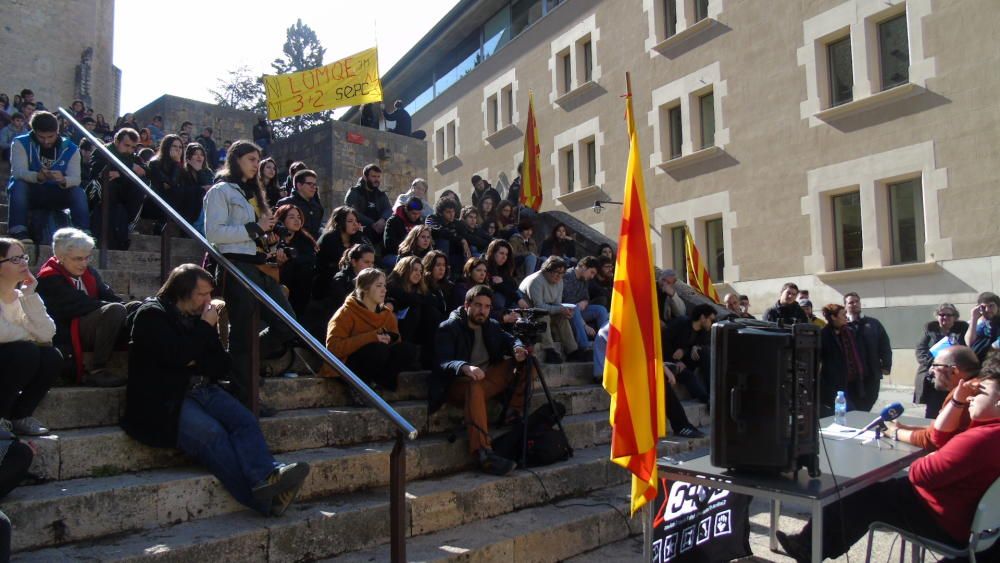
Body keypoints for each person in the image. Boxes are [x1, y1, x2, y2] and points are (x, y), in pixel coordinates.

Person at [121, 264, 310, 517]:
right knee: (213, 435)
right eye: (202, 294)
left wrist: (196, 348)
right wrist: (201, 336)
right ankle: (265, 500)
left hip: (202, 388)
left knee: (244, 420)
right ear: (182, 291)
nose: (208, 301)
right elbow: (179, 356)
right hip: (165, 398)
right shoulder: (152, 315)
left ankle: (268, 476)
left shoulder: (199, 319)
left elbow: (220, 365)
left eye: (210, 294)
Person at [776, 360, 1000, 563]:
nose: (971, 396)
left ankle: (809, 547)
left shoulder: (980, 439)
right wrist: (958, 402)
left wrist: (932, 457)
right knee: (874, 491)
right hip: (971, 519)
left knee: (858, 493)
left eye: (980, 392)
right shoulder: (987, 429)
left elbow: (919, 473)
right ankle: (809, 544)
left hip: (946, 519)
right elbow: (940, 438)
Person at [204, 140, 296, 410]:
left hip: (261, 266)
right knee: (243, 332)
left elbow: (256, 234)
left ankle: (236, 365)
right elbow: (214, 235)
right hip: (236, 266)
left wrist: (271, 239)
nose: (257, 164)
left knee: (287, 324)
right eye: (251, 159)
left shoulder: (254, 193)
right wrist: (254, 228)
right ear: (236, 160)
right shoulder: (221, 190)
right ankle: (245, 394)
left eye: (258, 159)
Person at [430, 284, 533, 476]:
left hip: (486, 378)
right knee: (474, 385)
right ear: (467, 305)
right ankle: (484, 452)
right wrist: (464, 366)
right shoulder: (449, 327)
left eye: (487, 307)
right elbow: (442, 362)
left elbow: (510, 339)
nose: (482, 311)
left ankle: (513, 411)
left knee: (528, 360)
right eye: (478, 305)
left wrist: (517, 348)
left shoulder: (491, 325)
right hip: (458, 385)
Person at [35, 227, 139, 388]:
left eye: (87, 258)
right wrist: (118, 307)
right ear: (61, 257)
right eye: (78, 259)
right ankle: (96, 370)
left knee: (137, 307)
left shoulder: (88, 272)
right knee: (116, 310)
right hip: (68, 330)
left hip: (93, 322)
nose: (84, 263)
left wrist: (131, 307)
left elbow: (108, 296)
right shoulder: (49, 278)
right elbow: (81, 304)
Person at [593, 325, 704, 438]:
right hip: (610, 375)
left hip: (627, 369)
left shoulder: (626, 324)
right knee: (659, 378)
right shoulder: (616, 327)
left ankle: (682, 424)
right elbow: (637, 357)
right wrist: (663, 370)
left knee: (670, 370)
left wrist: (664, 368)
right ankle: (681, 425)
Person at [325, 267, 417, 393]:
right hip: (348, 365)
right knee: (378, 349)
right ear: (365, 289)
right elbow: (333, 348)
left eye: (384, 286)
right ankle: (357, 388)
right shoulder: (345, 313)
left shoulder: (387, 314)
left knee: (407, 350)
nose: (384, 290)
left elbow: (397, 341)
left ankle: (381, 384)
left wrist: (390, 338)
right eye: (379, 286)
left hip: (378, 362)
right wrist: (372, 337)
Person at [0, 237, 58, 436]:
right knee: (26, 352)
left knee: (51, 356)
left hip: (16, 354)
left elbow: (48, 333)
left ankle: (19, 416)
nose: (24, 262)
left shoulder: (23, 296)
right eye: (15, 259)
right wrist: (31, 336)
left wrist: (30, 295)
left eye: (24, 257)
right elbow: (3, 333)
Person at [6, 111, 88, 243]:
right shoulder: (20, 143)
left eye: (50, 136)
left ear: (57, 131)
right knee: (18, 184)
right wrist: (37, 176)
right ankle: (18, 230)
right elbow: (17, 172)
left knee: (78, 192)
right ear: (33, 131)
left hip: (57, 192)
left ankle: (83, 234)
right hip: (32, 191)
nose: (46, 141)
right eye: (41, 137)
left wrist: (63, 179)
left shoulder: (71, 148)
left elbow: (76, 179)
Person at [887, 345, 979, 450]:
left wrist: (894, 432)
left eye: (935, 365)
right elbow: (940, 428)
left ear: (954, 371)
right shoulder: (977, 384)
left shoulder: (964, 395)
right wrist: (905, 428)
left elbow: (934, 439)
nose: (931, 370)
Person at [303, 243, 374, 343]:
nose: (370, 266)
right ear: (354, 262)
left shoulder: (372, 281)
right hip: (334, 324)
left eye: (372, 263)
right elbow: (344, 303)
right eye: (366, 262)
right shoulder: (341, 278)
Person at [90, 127, 147, 250]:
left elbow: (143, 172)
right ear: (116, 141)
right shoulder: (102, 151)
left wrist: (120, 173)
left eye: (133, 147)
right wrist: (129, 168)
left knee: (139, 189)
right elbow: (99, 172)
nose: (129, 150)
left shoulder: (134, 158)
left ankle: (127, 227)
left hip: (123, 196)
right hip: (102, 194)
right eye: (126, 145)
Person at [519, 256, 580, 364]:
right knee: (543, 315)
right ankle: (549, 350)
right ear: (547, 270)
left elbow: (556, 303)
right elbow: (538, 307)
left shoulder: (559, 281)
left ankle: (572, 350)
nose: (559, 276)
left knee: (562, 317)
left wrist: (564, 311)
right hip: (528, 313)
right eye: (556, 272)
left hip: (545, 309)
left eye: (562, 273)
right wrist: (560, 309)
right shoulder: (536, 281)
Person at [913, 303, 968, 418]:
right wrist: (933, 365)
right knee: (932, 411)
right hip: (934, 377)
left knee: (953, 410)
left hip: (954, 377)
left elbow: (967, 350)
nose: (945, 317)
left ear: (955, 317)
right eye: (941, 314)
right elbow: (920, 350)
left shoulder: (962, 331)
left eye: (948, 315)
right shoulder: (929, 331)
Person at [818, 303, 868, 416]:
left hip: (854, 382)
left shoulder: (849, 332)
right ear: (833, 317)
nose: (846, 316)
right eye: (843, 314)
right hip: (836, 386)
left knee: (858, 412)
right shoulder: (824, 335)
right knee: (850, 414)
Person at [844, 292, 891, 411]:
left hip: (871, 374)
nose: (855, 304)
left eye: (857, 301)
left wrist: (886, 365)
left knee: (869, 402)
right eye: (851, 302)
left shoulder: (873, 324)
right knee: (852, 406)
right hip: (850, 376)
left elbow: (884, 345)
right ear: (845, 306)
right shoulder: (842, 325)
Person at [314, 206, 371, 302]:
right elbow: (344, 261)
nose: (355, 224)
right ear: (340, 222)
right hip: (329, 280)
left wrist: (359, 236)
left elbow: (369, 254)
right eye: (350, 221)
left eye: (356, 221)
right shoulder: (330, 238)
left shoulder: (356, 237)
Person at [662, 304, 716, 404]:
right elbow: (664, 341)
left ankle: (712, 393)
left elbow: (706, 344)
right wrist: (675, 361)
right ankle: (706, 399)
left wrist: (695, 347)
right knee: (688, 376)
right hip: (669, 360)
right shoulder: (681, 323)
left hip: (686, 360)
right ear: (702, 317)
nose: (712, 323)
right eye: (711, 320)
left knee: (704, 352)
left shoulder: (704, 331)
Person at [274, 204, 319, 317]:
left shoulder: (306, 240)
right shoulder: (272, 239)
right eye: (291, 217)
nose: (297, 220)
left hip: (300, 290)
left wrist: (290, 259)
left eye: (299, 217)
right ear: (282, 219)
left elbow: (310, 259)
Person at [562, 256, 609, 357]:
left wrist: (585, 302)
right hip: (566, 311)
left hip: (579, 310)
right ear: (583, 267)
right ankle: (585, 347)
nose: (592, 276)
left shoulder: (584, 279)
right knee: (574, 308)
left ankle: (604, 343)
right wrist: (585, 326)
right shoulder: (567, 277)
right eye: (591, 272)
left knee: (601, 310)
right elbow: (568, 302)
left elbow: (586, 297)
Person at [345, 164, 391, 246]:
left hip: (379, 230)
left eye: (378, 176)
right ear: (365, 177)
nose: (376, 179)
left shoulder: (381, 195)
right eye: (373, 176)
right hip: (360, 231)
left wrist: (383, 220)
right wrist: (372, 223)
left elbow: (388, 209)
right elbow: (351, 211)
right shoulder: (355, 192)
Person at [144, 135, 184, 225]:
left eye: (180, 147)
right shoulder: (155, 163)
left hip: (171, 204)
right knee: (175, 191)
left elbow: (171, 184)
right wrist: (177, 164)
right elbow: (171, 184)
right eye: (174, 146)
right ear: (167, 147)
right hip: (155, 202)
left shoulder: (181, 167)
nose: (178, 149)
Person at [276, 169, 323, 240]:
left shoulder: (317, 206)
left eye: (315, 184)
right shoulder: (285, 203)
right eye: (310, 184)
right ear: (299, 185)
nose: (314, 187)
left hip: (313, 248)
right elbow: (277, 228)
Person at [484, 239, 529, 313]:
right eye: (501, 253)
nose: (504, 257)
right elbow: (496, 286)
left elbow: (513, 284)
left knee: (518, 293)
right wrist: (518, 299)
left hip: (506, 296)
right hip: (488, 298)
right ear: (493, 253)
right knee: (500, 298)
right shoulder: (484, 265)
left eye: (506, 254)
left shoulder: (503, 267)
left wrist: (503, 280)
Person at [426, 198, 467, 272]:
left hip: (455, 253)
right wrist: (460, 239)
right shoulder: (432, 218)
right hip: (438, 252)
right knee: (443, 241)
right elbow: (439, 231)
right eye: (448, 212)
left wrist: (463, 240)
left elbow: (467, 235)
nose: (452, 214)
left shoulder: (457, 223)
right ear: (441, 213)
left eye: (453, 211)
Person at [179, 142, 214, 229]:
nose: (199, 157)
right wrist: (200, 188)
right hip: (189, 207)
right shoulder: (182, 171)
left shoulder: (207, 172)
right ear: (189, 157)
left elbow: (209, 187)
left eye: (201, 155)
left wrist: (199, 171)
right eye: (195, 154)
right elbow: (182, 191)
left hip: (203, 207)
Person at [383, 198, 424, 267]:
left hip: (414, 255)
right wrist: (407, 251)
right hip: (393, 255)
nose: (416, 216)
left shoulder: (419, 223)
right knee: (411, 264)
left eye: (419, 213)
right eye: (413, 213)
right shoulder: (393, 221)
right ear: (406, 210)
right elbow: (389, 244)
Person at [966, 291, 1000, 362]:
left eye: (991, 306)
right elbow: (969, 343)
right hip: (977, 363)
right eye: (983, 307)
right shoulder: (976, 322)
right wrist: (974, 318)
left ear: (998, 307)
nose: (987, 310)